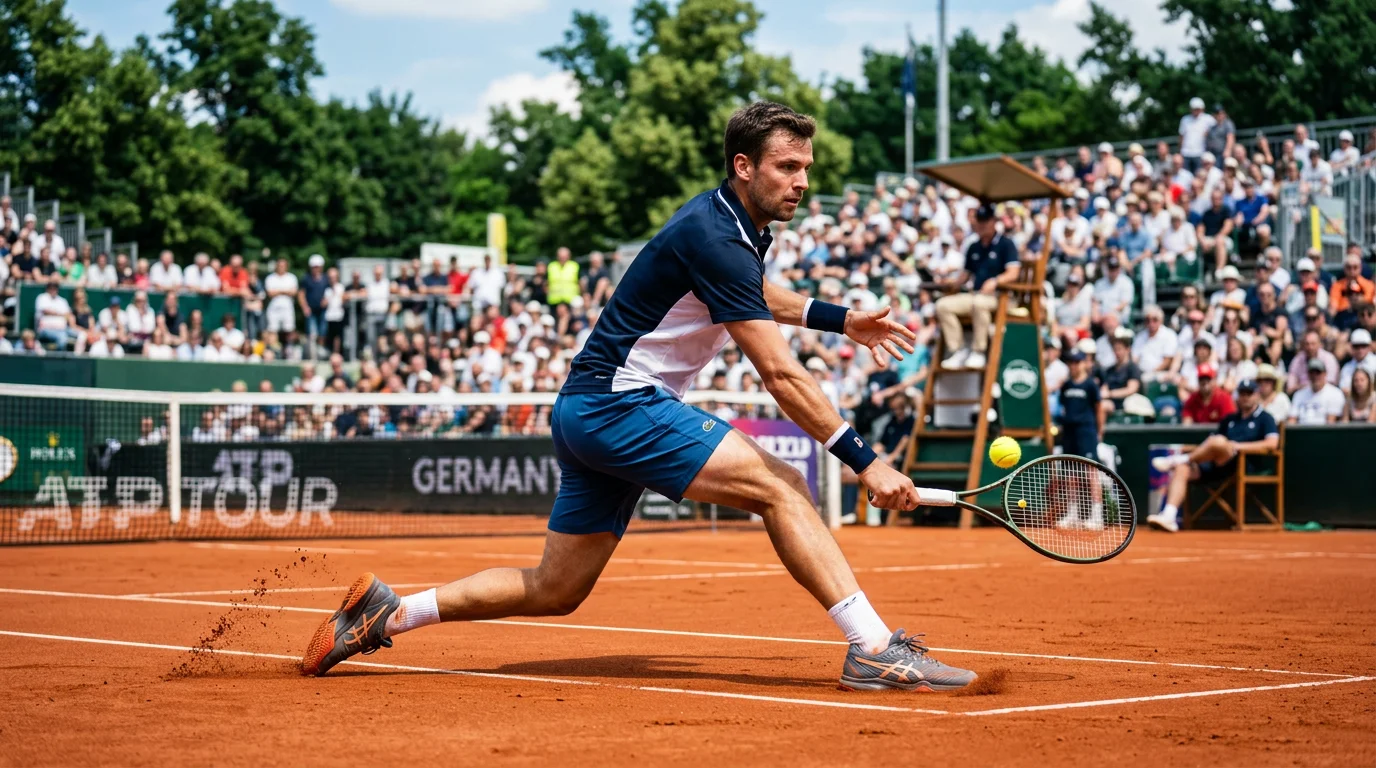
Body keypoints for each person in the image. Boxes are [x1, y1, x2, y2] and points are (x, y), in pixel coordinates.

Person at [299, 101, 979, 692]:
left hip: (589, 407)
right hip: (620, 405)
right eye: (787, 167)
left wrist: (840, 319)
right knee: (783, 488)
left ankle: (388, 613)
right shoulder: (718, 236)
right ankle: (872, 648)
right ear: (743, 166)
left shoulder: (729, 227)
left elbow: (750, 292)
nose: (802, 181)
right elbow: (781, 376)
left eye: (806, 167)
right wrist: (865, 461)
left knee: (557, 588)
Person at [1148, 378, 1278, 532]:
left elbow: (1272, 444)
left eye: (1249, 393)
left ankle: (1178, 459)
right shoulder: (1230, 419)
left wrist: (1237, 446)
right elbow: (1213, 444)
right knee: (1183, 468)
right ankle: (1169, 516)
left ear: (1256, 395)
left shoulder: (1265, 418)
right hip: (1217, 464)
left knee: (1219, 442)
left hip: (1243, 465)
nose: (1245, 397)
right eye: (1242, 393)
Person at [935, 203, 1020, 371]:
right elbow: (965, 276)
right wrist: (950, 283)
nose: (981, 224)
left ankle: (979, 351)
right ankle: (957, 350)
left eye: (985, 220)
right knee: (942, 305)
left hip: (1002, 297)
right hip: (977, 295)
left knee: (979, 303)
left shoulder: (1006, 244)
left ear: (994, 221)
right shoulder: (973, 246)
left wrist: (995, 281)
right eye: (979, 220)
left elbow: (1013, 273)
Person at [1290, 358, 1344, 424]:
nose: (1314, 376)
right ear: (1308, 374)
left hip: (1323, 430)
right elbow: (1292, 420)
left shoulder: (1335, 394)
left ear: (1325, 373)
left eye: (1318, 373)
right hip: (1302, 429)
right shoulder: (1299, 394)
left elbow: (1331, 423)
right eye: (1312, 373)